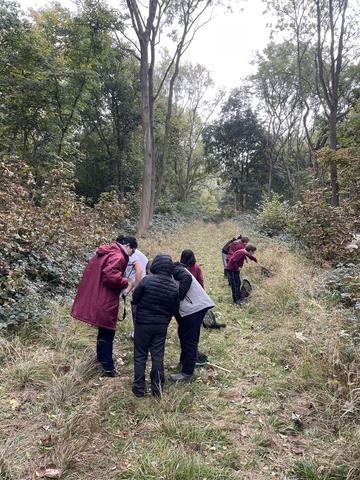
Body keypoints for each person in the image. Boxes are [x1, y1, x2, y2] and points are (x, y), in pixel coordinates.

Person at [71, 235, 138, 377]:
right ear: (127, 246)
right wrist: (126, 282)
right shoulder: (118, 256)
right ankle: (108, 367)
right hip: (105, 300)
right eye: (132, 252)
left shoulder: (107, 251)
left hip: (98, 296)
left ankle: (101, 359)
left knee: (103, 331)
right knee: (108, 332)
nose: (130, 255)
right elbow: (111, 277)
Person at [131, 254, 179, 397]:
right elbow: (175, 309)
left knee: (140, 355)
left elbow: (135, 298)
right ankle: (157, 388)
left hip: (142, 324)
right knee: (158, 356)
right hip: (161, 326)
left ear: (155, 265)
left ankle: (139, 387)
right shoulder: (174, 286)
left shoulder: (147, 281)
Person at [170, 263, 215, 383]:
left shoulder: (176, 269)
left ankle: (187, 373)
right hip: (189, 310)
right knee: (183, 334)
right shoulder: (169, 273)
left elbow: (187, 278)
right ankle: (183, 363)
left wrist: (179, 296)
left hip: (195, 307)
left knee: (189, 339)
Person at [124, 246, 149, 341]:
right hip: (143, 282)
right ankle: (138, 333)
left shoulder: (131, 255)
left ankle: (137, 334)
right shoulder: (130, 253)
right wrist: (127, 290)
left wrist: (137, 289)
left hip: (143, 284)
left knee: (137, 309)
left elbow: (139, 271)